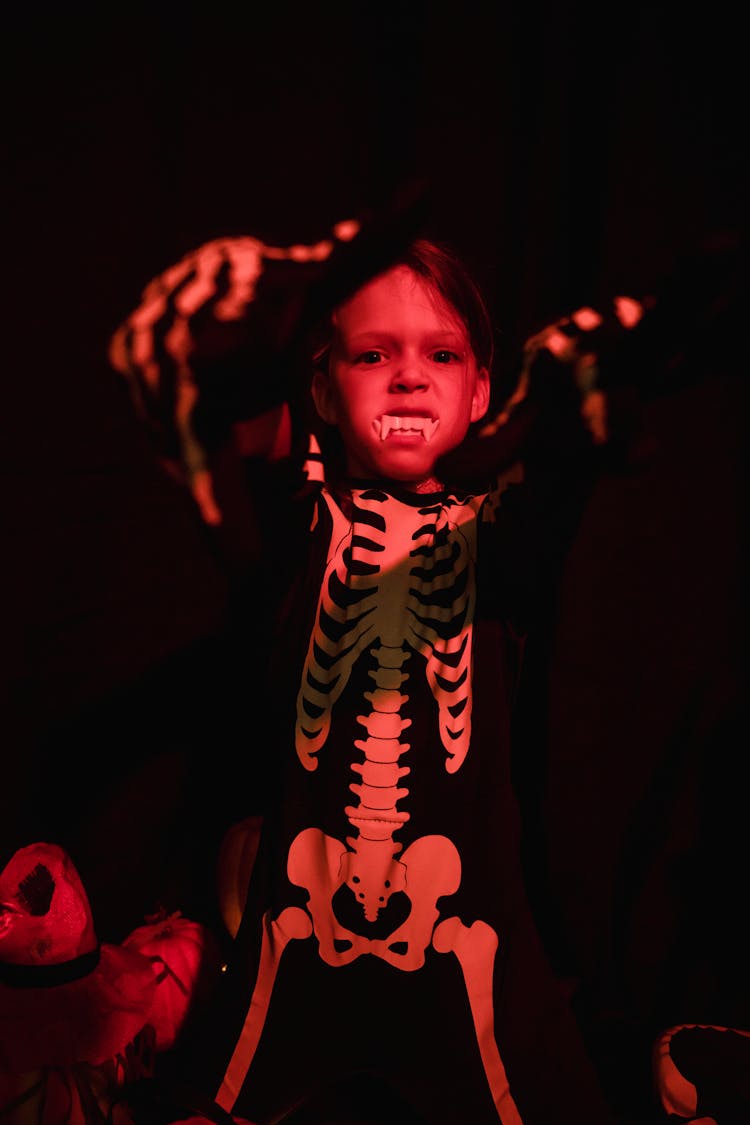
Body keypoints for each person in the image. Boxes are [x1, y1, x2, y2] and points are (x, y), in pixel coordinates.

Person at [109, 221, 630, 1125]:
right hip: (295, 940)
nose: (408, 374)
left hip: (469, 950)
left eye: (441, 353)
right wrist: (276, 297)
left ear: (480, 393)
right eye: (371, 353)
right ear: (320, 386)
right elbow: (184, 391)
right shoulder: (301, 512)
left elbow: (562, 458)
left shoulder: (495, 533)